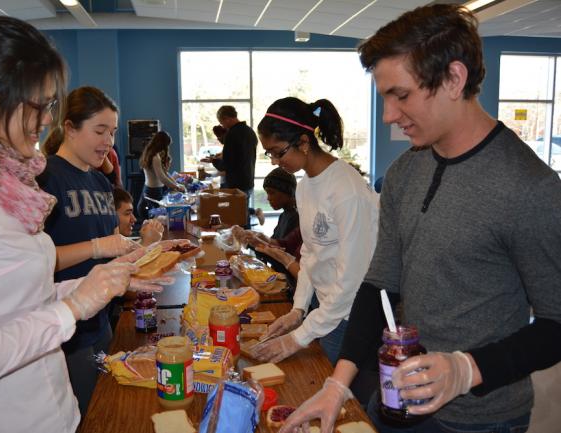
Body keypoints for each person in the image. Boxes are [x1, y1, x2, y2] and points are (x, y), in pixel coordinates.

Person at [280, 5, 561, 433]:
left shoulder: (529, 187)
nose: (389, 115)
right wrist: (339, 383)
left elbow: (555, 324)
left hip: (479, 420)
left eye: (402, 95)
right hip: (397, 400)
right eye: (385, 98)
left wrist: (467, 369)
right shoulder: (405, 173)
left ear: (454, 78)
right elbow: (379, 285)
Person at [0, 17, 153, 432]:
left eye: (49, 105)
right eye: (37, 105)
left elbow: (19, 301)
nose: (45, 120)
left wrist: (100, 284)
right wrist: (73, 307)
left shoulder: (2, 183)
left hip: (50, 409)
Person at [38, 86, 163, 417]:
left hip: (102, 321)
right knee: (89, 415)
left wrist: (148, 250)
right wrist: (96, 247)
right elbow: (34, 262)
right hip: (66, 324)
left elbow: (112, 251)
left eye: (112, 131)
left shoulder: (99, 183)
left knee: (110, 406)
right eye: (99, 130)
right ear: (69, 128)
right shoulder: (46, 177)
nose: (109, 141)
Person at [250, 97, 379, 366]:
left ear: (304, 142)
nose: (274, 161)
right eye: (269, 153)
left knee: (339, 394)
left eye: (278, 152)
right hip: (324, 311)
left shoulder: (347, 190)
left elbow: (352, 279)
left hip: (350, 315)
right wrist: (298, 309)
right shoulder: (306, 185)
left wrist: (299, 337)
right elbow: (311, 252)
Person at [205, 105, 258, 226]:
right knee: (244, 215)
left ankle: (244, 242)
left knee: (236, 218)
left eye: (222, 122)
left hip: (236, 183)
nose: (223, 126)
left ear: (226, 118)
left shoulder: (232, 134)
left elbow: (226, 164)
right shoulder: (250, 132)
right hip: (248, 180)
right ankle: (248, 242)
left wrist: (214, 161)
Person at [137, 130, 185, 220]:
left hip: (151, 190)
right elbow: (162, 177)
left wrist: (177, 185)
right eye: (166, 145)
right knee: (156, 220)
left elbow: (165, 173)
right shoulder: (155, 157)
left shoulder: (151, 153)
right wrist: (177, 187)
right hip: (153, 192)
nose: (166, 148)